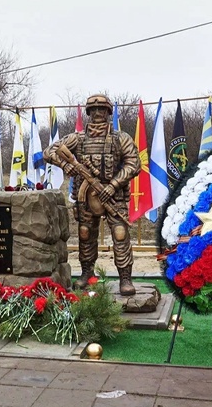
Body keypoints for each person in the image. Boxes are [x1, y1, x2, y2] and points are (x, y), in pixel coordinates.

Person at [43, 94, 141, 293]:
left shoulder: (120, 138)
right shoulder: (77, 138)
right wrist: (65, 165)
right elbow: (48, 152)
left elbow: (134, 163)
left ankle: (125, 279)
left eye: (102, 110)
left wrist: (113, 185)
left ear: (108, 113)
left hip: (114, 196)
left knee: (120, 234)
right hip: (85, 197)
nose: (97, 113)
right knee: (85, 234)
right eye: (93, 110)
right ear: (88, 113)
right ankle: (87, 273)